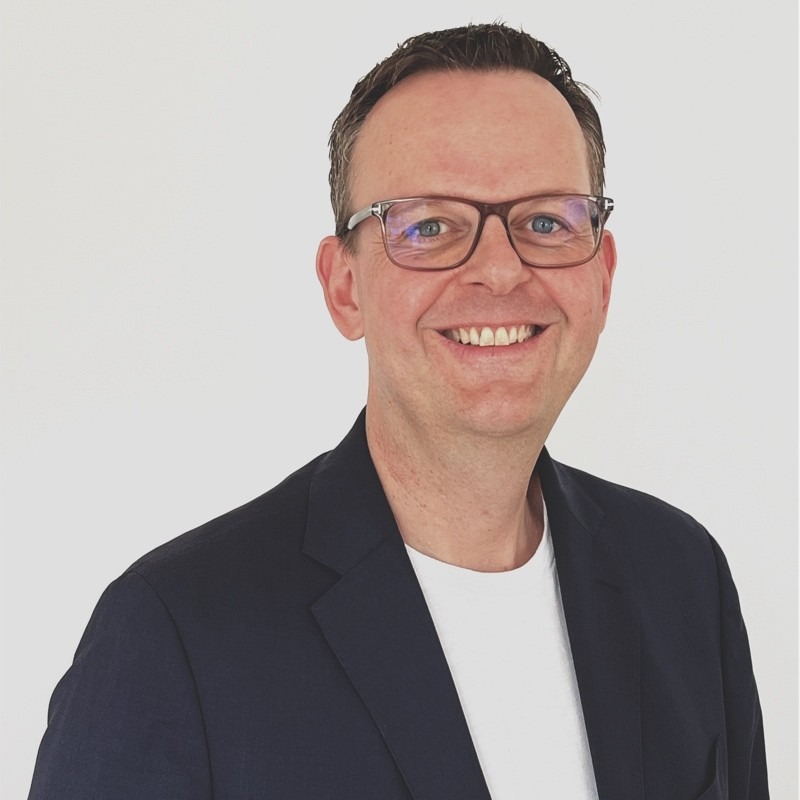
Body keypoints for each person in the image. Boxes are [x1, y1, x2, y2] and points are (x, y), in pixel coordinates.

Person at [27, 22, 768, 800]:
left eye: (547, 222)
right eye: (430, 227)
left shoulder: (685, 580)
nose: (498, 270)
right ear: (344, 287)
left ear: (603, 276)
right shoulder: (173, 635)